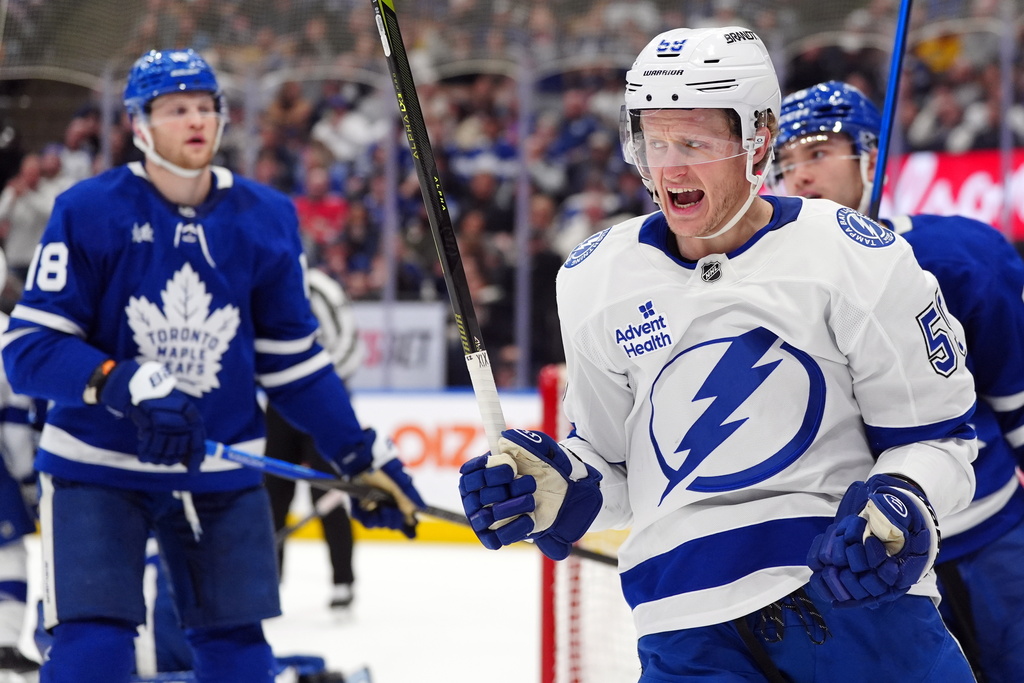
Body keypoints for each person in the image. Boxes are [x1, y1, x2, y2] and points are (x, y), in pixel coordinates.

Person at [458, 26, 980, 681]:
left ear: (757, 140)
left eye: (695, 142)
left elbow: (941, 438)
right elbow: (615, 468)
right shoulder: (595, 278)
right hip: (685, 632)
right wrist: (555, 485)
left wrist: (905, 504)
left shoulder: (853, 255)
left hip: (856, 606)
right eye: (655, 140)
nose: (670, 166)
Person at [0, 48, 425, 683]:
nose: (195, 119)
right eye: (175, 109)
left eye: (205, 106)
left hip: (219, 463)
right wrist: (124, 381)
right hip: (97, 467)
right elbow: (29, 349)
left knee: (240, 658)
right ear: (139, 125)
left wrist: (360, 456)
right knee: (93, 648)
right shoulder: (89, 211)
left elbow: (295, 366)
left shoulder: (266, 218)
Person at [773, 79, 1024, 683]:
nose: (799, 175)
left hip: (989, 534)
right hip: (873, 562)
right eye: (784, 163)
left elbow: (1011, 389)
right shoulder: (772, 286)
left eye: (816, 152)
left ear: (871, 156)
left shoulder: (956, 255)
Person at [265, 267, 364, 611]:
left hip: (324, 405)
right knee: (273, 495)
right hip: (279, 408)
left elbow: (350, 345)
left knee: (331, 494)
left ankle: (342, 580)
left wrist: (317, 392)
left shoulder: (321, 289)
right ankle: (269, 582)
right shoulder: (264, 283)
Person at [0, 248, 45, 680]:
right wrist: (29, 482)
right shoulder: (6, 337)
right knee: (8, 555)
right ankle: (6, 642)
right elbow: (14, 424)